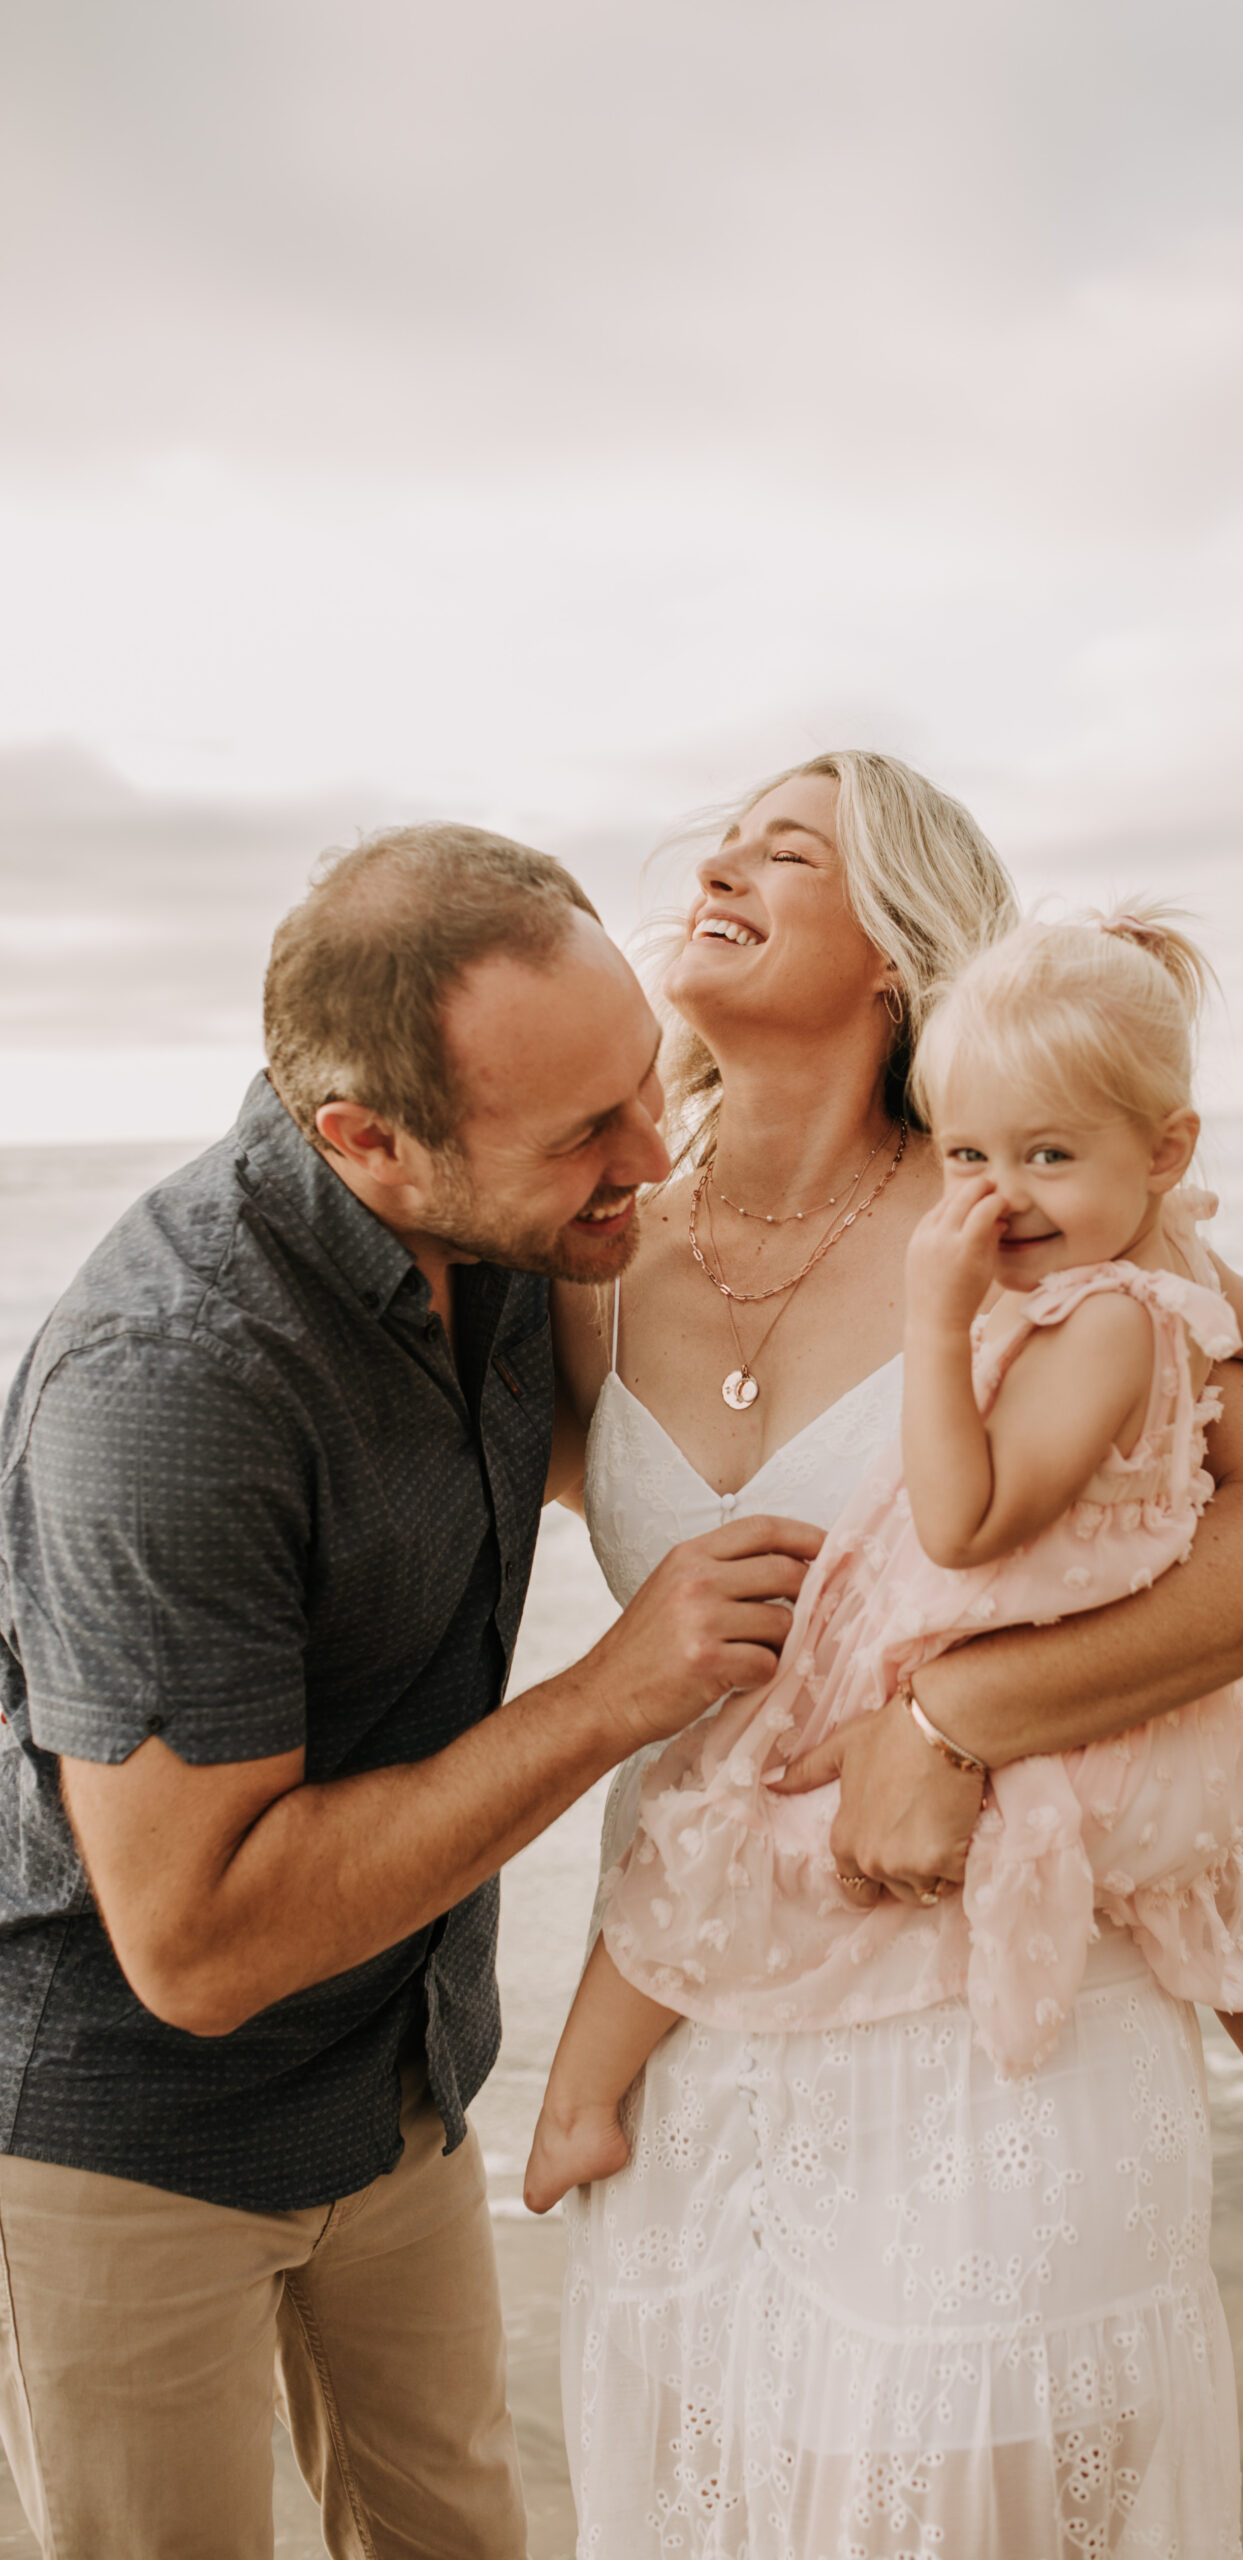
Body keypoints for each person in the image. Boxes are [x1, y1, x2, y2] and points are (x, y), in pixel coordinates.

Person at [549, 753, 1243, 2558]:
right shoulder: (592, 1256)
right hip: (700, 2011)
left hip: (998, 2022)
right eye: (722, 839)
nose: (720, 861)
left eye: (787, 849)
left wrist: (955, 1705)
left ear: (895, 955)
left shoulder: (1021, 1211)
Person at [0, 824, 821, 2560]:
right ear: (361, 1138)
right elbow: (196, 1948)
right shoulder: (171, 1387)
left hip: (399, 2072)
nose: (648, 1156)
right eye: (587, 1136)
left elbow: (668, 1461)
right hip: (122, 2134)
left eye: (642, 1089)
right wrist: (612, 1695)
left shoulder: (517, 1232)